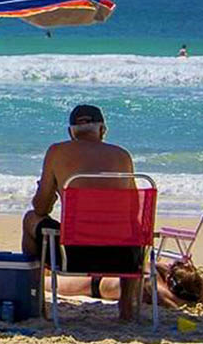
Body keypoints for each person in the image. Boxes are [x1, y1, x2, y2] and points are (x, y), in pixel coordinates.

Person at [22, 104, 142, 321]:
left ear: (70, 132)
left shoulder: (57, 152)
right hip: (122, 257)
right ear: (103, 130)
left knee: (30, 218)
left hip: (74, 255)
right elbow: (134, 210)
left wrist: (49, 191)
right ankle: (126, 307)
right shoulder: (122, 156)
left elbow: (41, 208)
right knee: (133, 227)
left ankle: (36, 301)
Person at [46, 258, 203, 310]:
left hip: (93, 284)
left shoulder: (153, 280)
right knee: (47, 278)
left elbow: (172, 305)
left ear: (170, 278)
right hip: (102, 277)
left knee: (46, 283)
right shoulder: (194, 285)